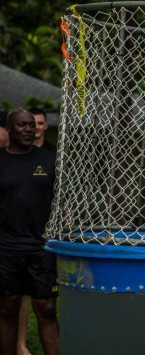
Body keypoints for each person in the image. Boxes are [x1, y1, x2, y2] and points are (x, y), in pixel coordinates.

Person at [0, 108, 59, 355]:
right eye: (22, 125)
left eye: (31, 125)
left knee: (46, 308)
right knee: (8, 308)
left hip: (40, 246)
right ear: (9, 129)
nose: (28, 129)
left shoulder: (48, 159)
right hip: (6, 247)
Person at [16, 109, 56, 355]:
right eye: (32, 123)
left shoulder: (53, 155)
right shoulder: (13, 155)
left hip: (45, 237)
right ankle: (20, 345)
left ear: (44, 125)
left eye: (40, 123)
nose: (35, 128)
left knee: (47, 305)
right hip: (16, 238)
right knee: (15, 298)